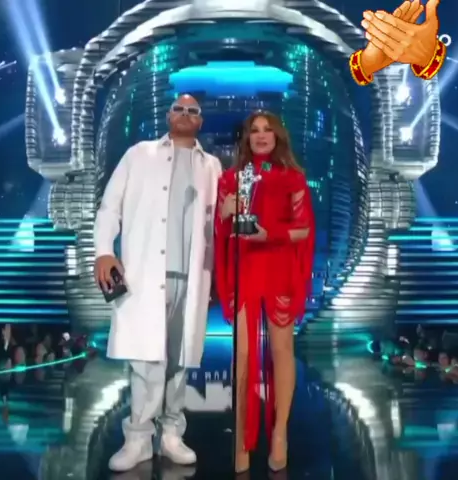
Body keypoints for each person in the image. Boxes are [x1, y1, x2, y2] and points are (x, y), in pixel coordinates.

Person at [94, 94, 222, 472]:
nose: (185, 114)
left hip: (192, 277)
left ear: (200, 121)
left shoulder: (212, 166)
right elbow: (110, 206)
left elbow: (221, 221)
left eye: (193, 111)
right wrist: (104, 251)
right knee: (146, 361)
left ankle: (171, 435)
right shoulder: (139, 155)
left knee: (180, 360)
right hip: (146, 274)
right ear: (168, 115)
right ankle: (137, 439)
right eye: (178, 109)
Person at [214, 111, 315, 473]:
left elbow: (304, 230)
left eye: (267, 130)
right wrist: (224, 212)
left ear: (277, 136)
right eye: (254, 130)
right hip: (244, 268)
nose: (260, 136)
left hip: (279, 267)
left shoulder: (293, 179)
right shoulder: (230, 178)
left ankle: (279, 433)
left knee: (281, 350)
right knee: (241, 354)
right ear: (246, 138)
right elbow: (220, 230)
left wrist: (268, 233)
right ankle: (241, 439)